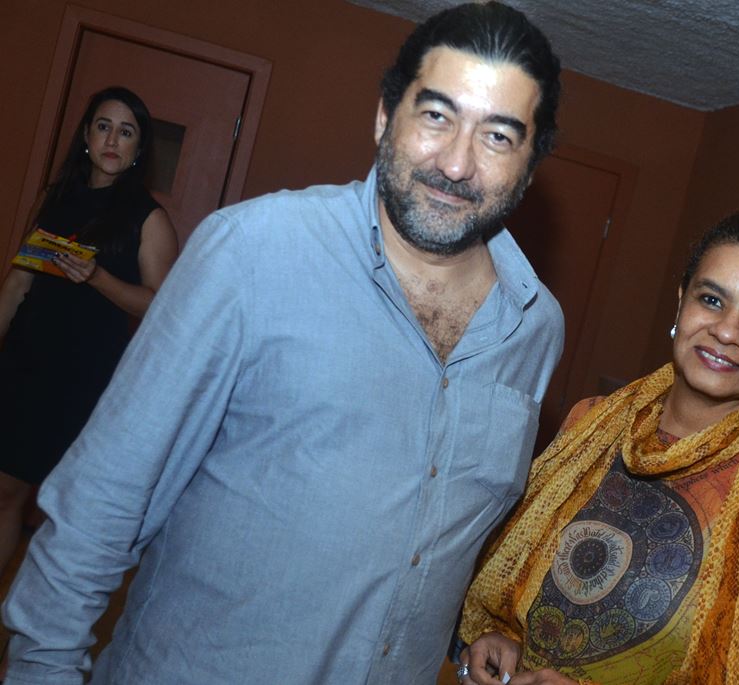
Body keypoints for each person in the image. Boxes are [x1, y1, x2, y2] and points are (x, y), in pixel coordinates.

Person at [1, 3, 563, 684]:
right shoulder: (252, 251)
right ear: (385, 118)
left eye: (498, 136)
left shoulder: (535, 328)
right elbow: (100, 505)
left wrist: (472, 636)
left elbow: (445, 538)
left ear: (529, 165)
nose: (456, 162)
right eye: (436, 115)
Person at [458, 209, 739, 685]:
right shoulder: (589, 425)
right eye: (712, 299)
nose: (727, 331)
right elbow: (517, 584)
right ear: (681, 302)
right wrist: (500, 639)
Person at [0, 86, 177, 572]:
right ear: (86, 136)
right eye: (103, 127)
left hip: (83, 378)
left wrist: (98, 277)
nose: (112, 140)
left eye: (126, 131)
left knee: (63, 508)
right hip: (22, 362)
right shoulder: (53, 199)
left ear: (139, 148)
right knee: (5, 491)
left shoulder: (149, 219)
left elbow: (161, 308)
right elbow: (17, 283)